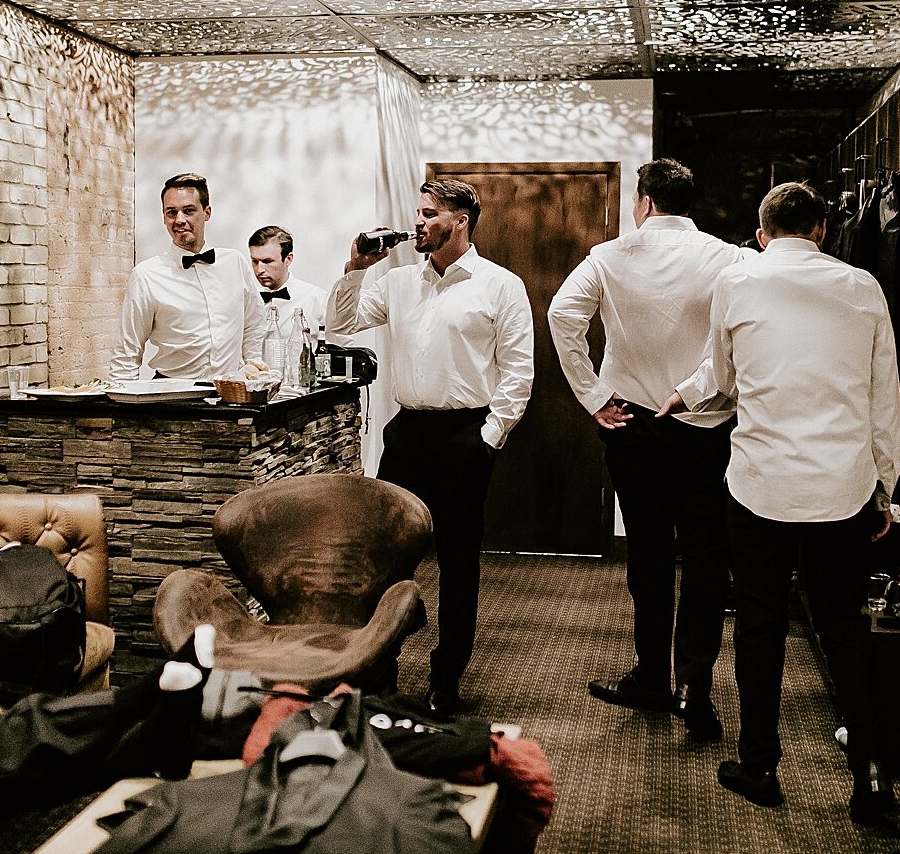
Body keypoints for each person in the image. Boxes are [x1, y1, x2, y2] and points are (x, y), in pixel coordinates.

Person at [659, 181, 900, 822]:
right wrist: (887, 489)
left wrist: (682, 395)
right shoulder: (863, 289)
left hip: (761, 484)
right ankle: (874, 778)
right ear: (822, 229)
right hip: (842, 486)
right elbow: (885, 399)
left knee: (760, 624)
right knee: (843, 625)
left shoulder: (738, 284)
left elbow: (723, 376)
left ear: (763, 235)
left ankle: (760, 766)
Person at [547, 158, 753, 738]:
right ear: (689, 202)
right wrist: (696, 387)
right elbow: (748, 328)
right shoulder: (731, 258)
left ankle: (652, 677)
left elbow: (563, 315)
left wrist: (592, 395)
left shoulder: (609, 257)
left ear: (643, 202)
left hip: (632, 423)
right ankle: (696, 686)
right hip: (705, 422)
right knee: (708, 556)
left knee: (649, 553)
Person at [326, 180, 535, 714]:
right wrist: (355, 269)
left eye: (428, 214)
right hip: (406, 434)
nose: (417, 223)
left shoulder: (500, 285)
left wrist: (488, 438)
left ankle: (447, 678)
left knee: (459, 563)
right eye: (417, 213)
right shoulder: (396, 282)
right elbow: (341, 325)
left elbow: (518, 373)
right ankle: (383, 671)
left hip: (466, 435)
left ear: (461, 220)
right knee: (387, 562)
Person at [111, 173, 264, 382]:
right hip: (172, 399)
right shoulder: (146, 275)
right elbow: (126, 351)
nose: (179, 220)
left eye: (188, 211)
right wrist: (123, 407)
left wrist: (252, 366)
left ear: (207, 212)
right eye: (171, 212)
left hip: (229, 396)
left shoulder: (235, 263)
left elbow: (254, 323)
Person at [248, 224, 343, 344]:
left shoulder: (315, 299)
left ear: (288, 259)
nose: (259, 269)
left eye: (267, 261)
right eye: (255, 261)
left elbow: (343, 346)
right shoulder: (249, 300)